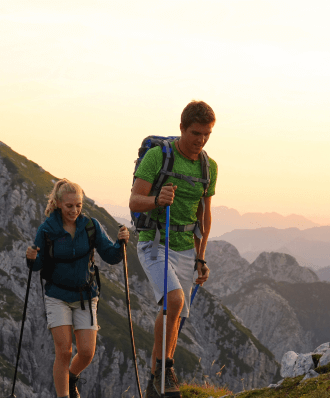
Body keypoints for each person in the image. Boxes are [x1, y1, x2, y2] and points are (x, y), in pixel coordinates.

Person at [129, 100, 217, 398]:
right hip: (154, 242)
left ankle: (157, 379)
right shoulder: (157, 157)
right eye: (195, 133)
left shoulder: (209, 167)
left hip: (186, 249)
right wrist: (157, 199)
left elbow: (204, 215)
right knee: (175, 301)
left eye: (206, 134)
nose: (200, 140)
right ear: (181, 128)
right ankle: (165, 369)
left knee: (174, 314)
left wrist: (201, 256)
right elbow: (134, 201)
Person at [26, 179, 129, 398]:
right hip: (57, 296)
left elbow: (110, 256)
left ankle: (71, 377)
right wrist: (31, 258)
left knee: (87, 353)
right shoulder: (47, 230)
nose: (74, 210)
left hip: (86, 295)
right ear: (58, 204)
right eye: (69, 206)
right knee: (64, 351)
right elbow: (37, 266)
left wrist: (121, 244)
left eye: (78, 205)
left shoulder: (91, 226)